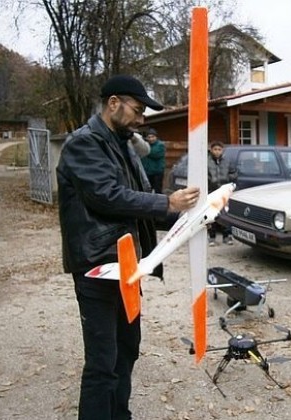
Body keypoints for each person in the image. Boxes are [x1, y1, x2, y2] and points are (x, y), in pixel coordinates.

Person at [56, 74, 200, 420]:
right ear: (113, 103)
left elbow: (138, 204)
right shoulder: (83, 144)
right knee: (102, 361)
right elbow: (107, 197)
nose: (140, 120)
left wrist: (194, 219)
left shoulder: (124, 145)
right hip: (98, 266)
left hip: (129, 268)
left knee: (127, 350)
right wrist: (168, 203)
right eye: (136, 110)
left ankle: (119, 414)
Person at [207, 141, 237, 246]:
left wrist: (228, 180)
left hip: (224, 192)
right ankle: (211, 236)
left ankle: (227, 236)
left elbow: (234, 173)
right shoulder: (207, 161)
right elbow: (204, 175)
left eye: (219, 149)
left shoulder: (227, 161)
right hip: (212, 192)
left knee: (225, 213)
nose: (217, 152)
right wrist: (209, 181)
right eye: (215, 149)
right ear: (211, 150)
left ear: (222, 150)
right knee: (212, 214)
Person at [140, 128, 165, 193]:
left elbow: (154, 154)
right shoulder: (145, 145)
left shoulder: (160, 145)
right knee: (147, 189)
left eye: (153, 137)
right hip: (147, 172)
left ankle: (159, 202)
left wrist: (144, 150)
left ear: (156, 137)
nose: (151, 139)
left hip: (157, 172)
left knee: (158, 190)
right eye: (149, 137)